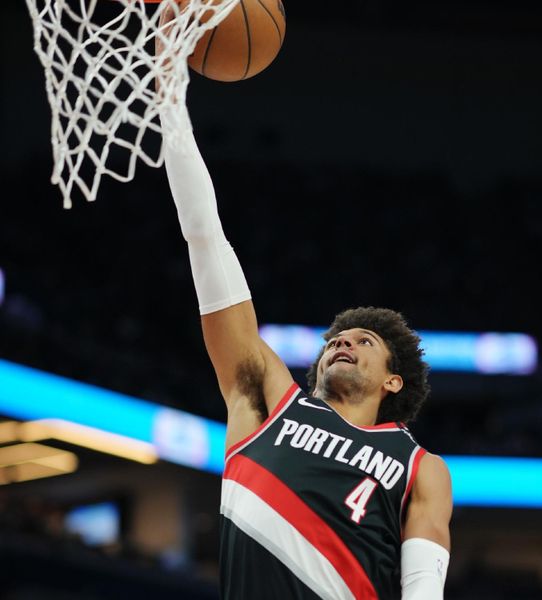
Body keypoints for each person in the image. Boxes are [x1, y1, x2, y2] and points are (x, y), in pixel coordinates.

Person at [158, 89, 453, 598]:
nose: (343, 343)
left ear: (393, 378)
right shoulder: (269, 402)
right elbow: (204, 235)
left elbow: (424, 584)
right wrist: (168, 97)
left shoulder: (419, 466)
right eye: (336, 339)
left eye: (363, 341)